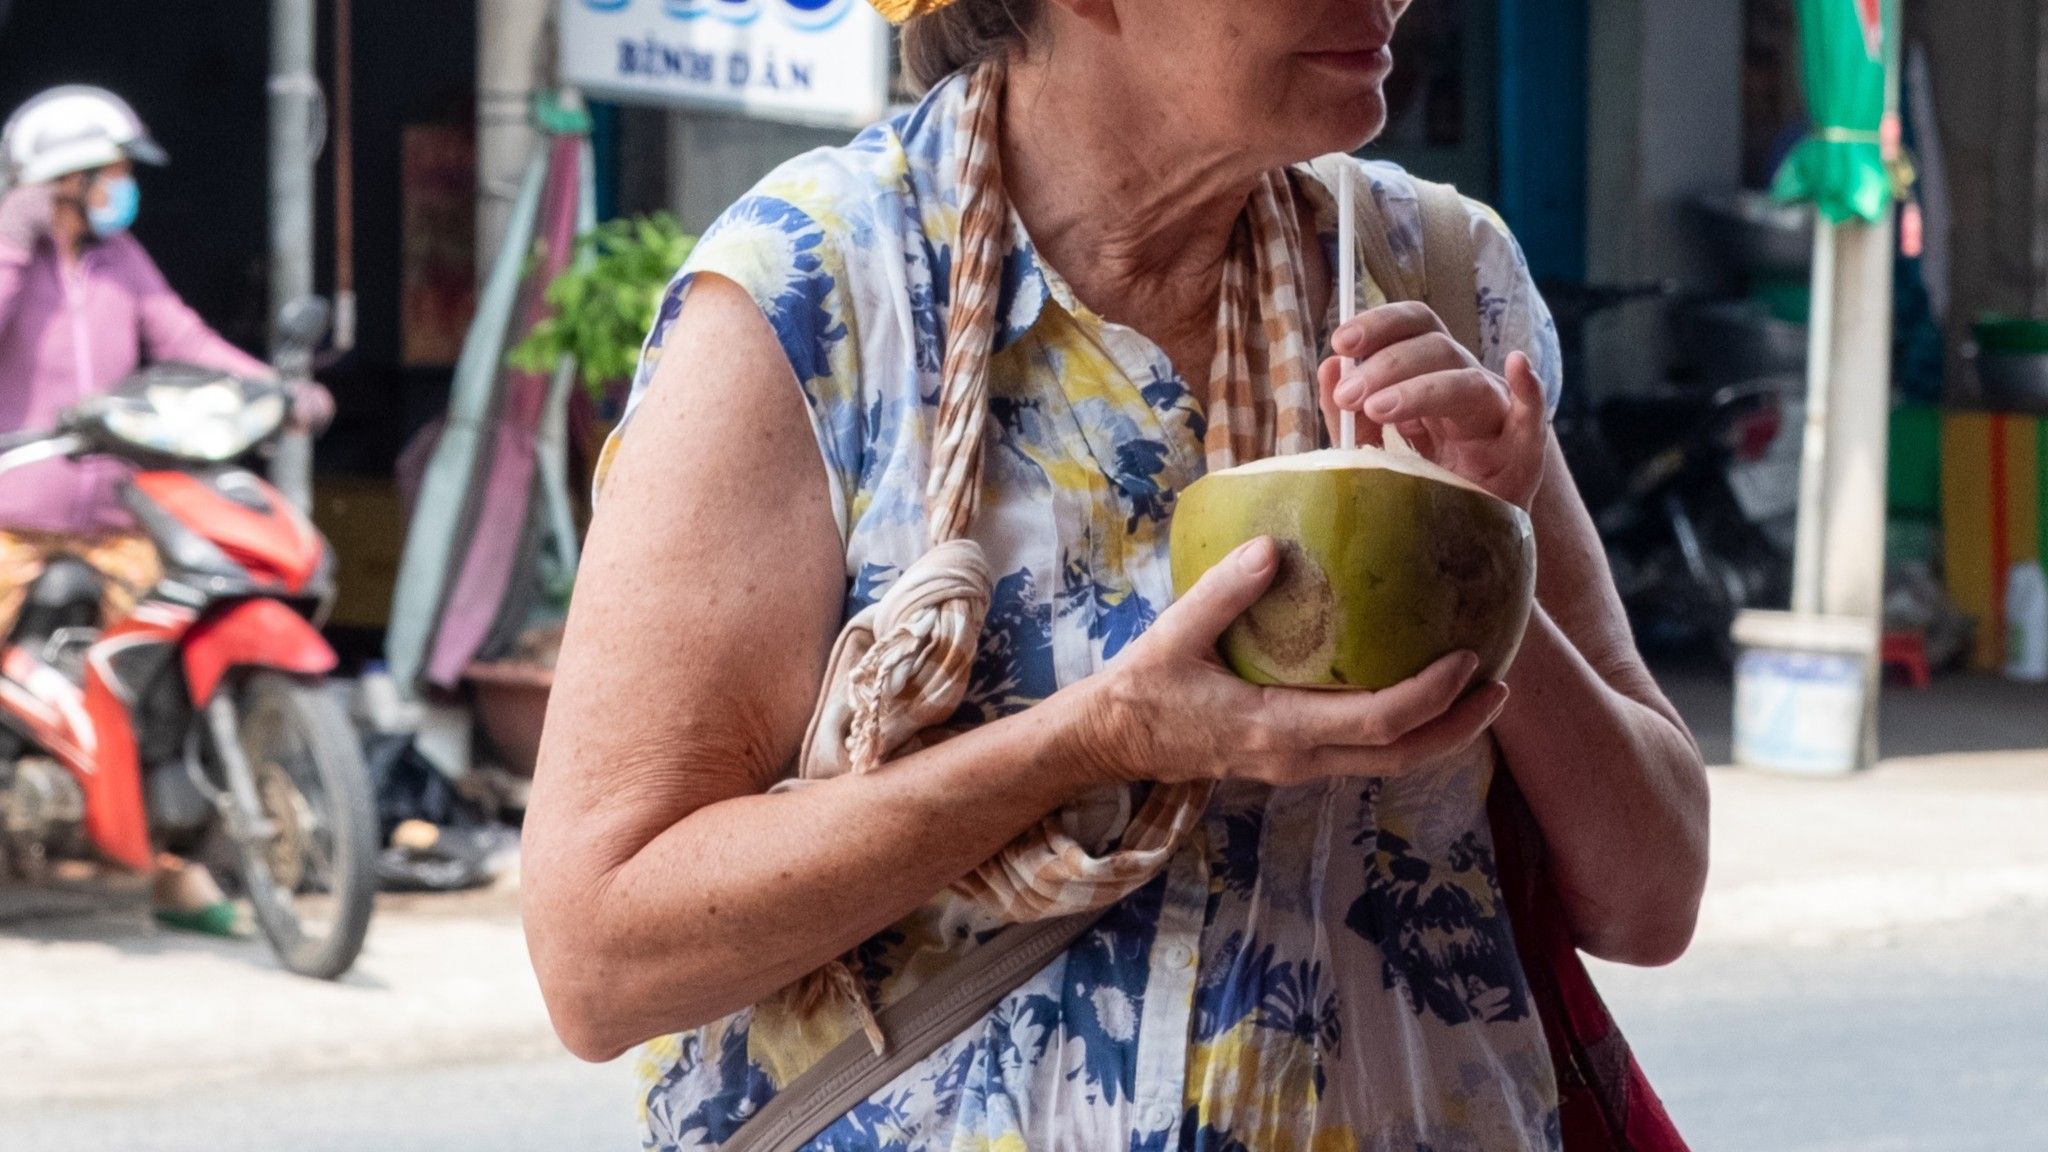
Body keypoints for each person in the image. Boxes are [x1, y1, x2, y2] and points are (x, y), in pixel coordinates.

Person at [524, 1, 1710, 1149]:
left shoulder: (1433, 272)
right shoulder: (822, 292)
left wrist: (1479, 546)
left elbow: (1651, 897)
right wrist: (1096, 741)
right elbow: (601, 962)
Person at [0, 85, 332, 935]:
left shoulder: (122, 261)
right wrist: (13, 240)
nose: (123, 187)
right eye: (110, 171)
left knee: (165, 676)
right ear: (64, 177)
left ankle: (176, 868)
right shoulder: (10, 253)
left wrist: (272, 392)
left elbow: (183, 339)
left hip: (118, 522)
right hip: (13, 523)